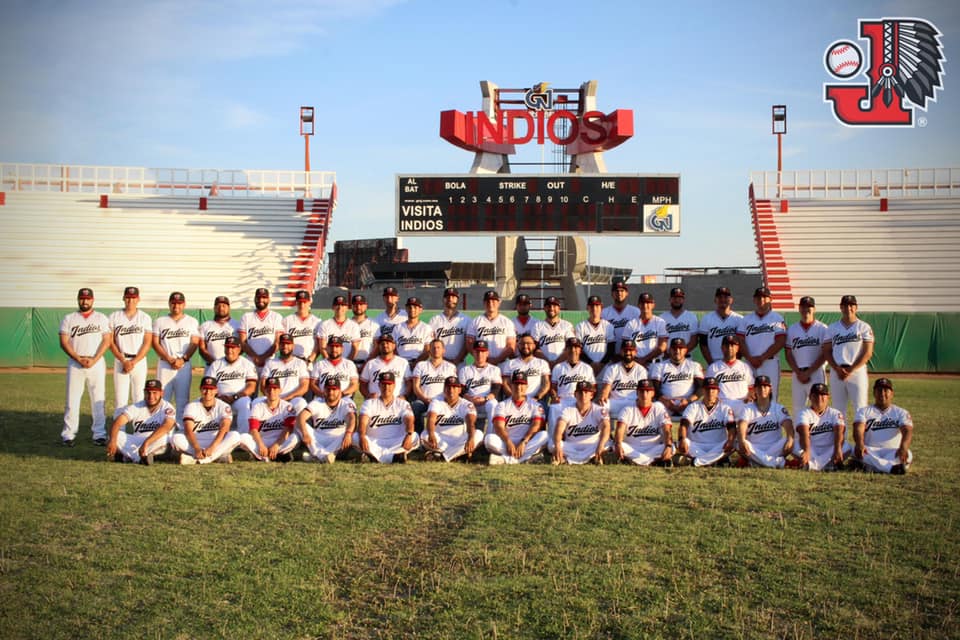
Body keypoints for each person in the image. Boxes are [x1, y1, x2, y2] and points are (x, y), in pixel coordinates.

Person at [60, 287, 111, 446]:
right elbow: (64, 341)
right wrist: (78, 358)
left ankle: (99, 434)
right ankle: (68, 435)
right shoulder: (69, 318)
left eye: (88, 298)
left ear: (93, 300)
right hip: (76, 363)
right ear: (78, 299)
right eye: (82, 298)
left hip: (96, 363)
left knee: (98, 399)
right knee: (72, 400)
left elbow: (107, 340)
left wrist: (95, 358)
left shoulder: (101, 318)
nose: (85, 301)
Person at [824, 294, 875, 421]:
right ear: (841, 307)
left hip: (857, 371)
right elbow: (826, 351)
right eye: (845, 305)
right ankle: (841, 441)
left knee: (861, 408)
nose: (848, 308)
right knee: (838, 411)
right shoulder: (832, 327)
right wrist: (836, 368)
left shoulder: (863, 327)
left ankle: (861, 440)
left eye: (851, 305)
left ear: (856, 307)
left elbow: (868, 353)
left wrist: (851, 369)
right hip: (837, 371)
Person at [152, 291, 200, 426]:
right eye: (173, 303)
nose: (176, 306)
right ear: (169, 304)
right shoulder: (160, 321)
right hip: (165, 365)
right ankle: (161, 426)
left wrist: (183, 359)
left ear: (184, 304)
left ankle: (180, 428)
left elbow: (194, 342)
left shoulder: (192, 321)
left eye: (179, 303)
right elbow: (155, 343)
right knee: (162, 398)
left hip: (183, 365)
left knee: (182, 399)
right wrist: (169, 359)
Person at [170, 376, 242, 465]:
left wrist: (212, 447)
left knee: (235, 436)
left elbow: (225, 428)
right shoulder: (192, 406)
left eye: (211, 389)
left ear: (216, 390)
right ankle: (218, 457)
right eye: (205, 388)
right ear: (200, 389)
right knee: (175, 438)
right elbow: (188, 431)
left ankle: (199, 459)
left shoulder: (224, 406)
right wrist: (197, 448)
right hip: (195, 442)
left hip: (216, 442)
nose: (208, 392)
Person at [106, 379, 176, 464]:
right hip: (137, 441)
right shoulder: (136, 406)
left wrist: (146, 443)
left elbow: (167, 426)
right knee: (115, 435)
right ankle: (140, 458)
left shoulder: (167, 407)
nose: (151, 396)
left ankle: (128, 456)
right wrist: (113, 441)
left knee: (166, 438)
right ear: (144, 393)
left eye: (154, 393)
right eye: (148, 393)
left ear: (161, 393)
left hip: (155, 441)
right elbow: (117, 423)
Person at [853, 378, 913, 474]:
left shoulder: (901, 412)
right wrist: (860, 443)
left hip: (893, 452)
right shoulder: (864, 411)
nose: (882, 393)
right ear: (874, 393)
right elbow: (858, 428)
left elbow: (907, 431)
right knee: (856, 451)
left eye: (886, 390)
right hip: (871, 450)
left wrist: (903, 447)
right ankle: (892, 468)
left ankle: (872, 467)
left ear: (892, 393)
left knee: (908, 454)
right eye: (879, 390)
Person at [485, 371, 548, 464]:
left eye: (522, 384)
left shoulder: (535, 405)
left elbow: (536, 426)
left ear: (527, 386)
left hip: (526, 442)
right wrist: (508, 442)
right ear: (511, 385)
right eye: (516, 384)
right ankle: (526, 458)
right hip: (507, 442)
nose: (519, 387)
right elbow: (499, 427)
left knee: (544, 435)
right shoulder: (502, 405)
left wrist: (523, 442)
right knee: (489, 439)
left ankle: (506, 460)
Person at [355, 371, 418, 463]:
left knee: (414, 436)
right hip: (374, 441)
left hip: (396, 441)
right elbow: (362, 421)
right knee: (355, 437)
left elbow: (409, 420)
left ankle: (374, 456)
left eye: (389, 384)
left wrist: (408, 435)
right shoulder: (369, 403)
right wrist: (362, 436)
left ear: (394, 385)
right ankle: (394, 456)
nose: (386, 387)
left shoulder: (403, 403)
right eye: (384, 384)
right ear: (379, 385)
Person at [737, 286, 787, 401]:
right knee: (748, 396)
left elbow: (781, 341)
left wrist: (762, 357)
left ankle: (770, 419)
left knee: (771, 397)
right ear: (754, 300)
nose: (762, 300)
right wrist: (750, 358)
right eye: (759, 297)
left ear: (770, 299)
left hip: (770, 362)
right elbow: (740, 340)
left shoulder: (777, 318)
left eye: (765, 297)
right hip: (749, 363)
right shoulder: (746, 319)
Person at [108, 286, 152, 412]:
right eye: (128, 297)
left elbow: (147, 343)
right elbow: (111, 342)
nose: (130, 300)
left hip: (139, 361)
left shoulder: (145, 317)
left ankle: (138, 429)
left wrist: (133, 362)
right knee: (120, 399)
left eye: (133, 298)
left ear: (138, 299)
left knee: (138, 397)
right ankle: (120, 430)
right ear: (123, 298)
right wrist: (123, 360)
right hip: (121, 360)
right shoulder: (114, 316)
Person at [785, 296, 829, 421]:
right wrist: (799, 372)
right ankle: (799, 439)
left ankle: (819, 438)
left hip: (816, 373)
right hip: (797, 374)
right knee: (798, 408)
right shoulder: (792, 329)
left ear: (814, 309)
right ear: (799, 309)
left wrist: (808, 372)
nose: (806, 309)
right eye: (803, 307)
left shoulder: (823, 329)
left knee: (819, 408)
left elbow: (825, 353)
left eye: (809, 307)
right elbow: (788, 353)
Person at [736, 375, 794, 469]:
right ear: (754, 389)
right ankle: (780, 463)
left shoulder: (778, 408)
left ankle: (754, 462)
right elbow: (742, 425)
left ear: (770, 389)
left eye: (765, 386)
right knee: (738, 443)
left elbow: (789, 426)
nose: (762, 389)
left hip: (775, 447)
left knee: (791, 440)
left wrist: (790, 440)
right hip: (754, 448)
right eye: (759, 387)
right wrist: (742, 440)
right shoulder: (747, 408)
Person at [677, 377, 737, 467]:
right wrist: (682, 439)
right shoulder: (693, 406)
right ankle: (715, 460)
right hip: (696, 445)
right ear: (703, 390)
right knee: (678, 443)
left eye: (713, 389)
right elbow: (683, 426)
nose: (710, 392)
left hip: (717, 446)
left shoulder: (725, 408)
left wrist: (730, 440)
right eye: (707, 389)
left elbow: (732, 428)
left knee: (735, 443)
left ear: (718, 391)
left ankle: (695, 462)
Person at [237, 377, 299, 462]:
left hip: (280, 441)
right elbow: (253, 430)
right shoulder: (257, 406)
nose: (271, 391)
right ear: (264, 391)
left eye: (275, 388)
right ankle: (275, 456)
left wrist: (277, 445)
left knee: (295, 438)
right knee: (242, 437)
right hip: (262, 440)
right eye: (269, 389)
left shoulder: (287, 406)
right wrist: (261, 445)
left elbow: (288, 429)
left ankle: (264, 456)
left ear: (280, 390)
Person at [613, 379, 674, 466]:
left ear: (653, 393)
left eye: (648, 391)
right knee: (616, 445)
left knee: (672, 447)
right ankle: (653, 462)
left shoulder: (659, 408)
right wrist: (618, 443)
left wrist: (668, 446)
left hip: (653, 448)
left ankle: (634, 461)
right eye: (641, 391)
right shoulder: (627, 409)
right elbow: (620, 430)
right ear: (637, 392)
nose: (644, 394)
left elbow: (667, 429)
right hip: (632, 448)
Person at [204, 335, 257, 433]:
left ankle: (243, 436)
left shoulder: (247, 364)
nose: (230, 350)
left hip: (239, 397)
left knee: (245, 403)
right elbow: (208, 385)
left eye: (233, 347)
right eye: (227, 347)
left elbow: (251, 387)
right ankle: (211, 435)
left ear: (239, 348)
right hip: (219, 398)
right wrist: (217, 396)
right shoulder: (216, 364)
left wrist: (235, 397)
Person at [422, 376, 481, 462]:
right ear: (444, 389)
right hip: (440, 440)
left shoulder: (466, 404)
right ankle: (459, 455)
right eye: (448, 387)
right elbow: (431, 419)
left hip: (459, 440)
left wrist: (471, 438)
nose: (451, 390)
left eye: (454, 387)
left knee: (478, 434)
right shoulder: (436, 402)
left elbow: (471, 423)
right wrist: (431, 434)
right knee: (424, 435)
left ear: (460, 390)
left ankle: (443, 457)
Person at [298, 377, 357, 463]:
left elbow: (352, 418)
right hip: (318, 439)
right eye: (328, 389)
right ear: (324, 390)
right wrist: (305, 433)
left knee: (353, 434)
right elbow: (301, 417)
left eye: (334, 389)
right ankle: (326, 456)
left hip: (337, 440)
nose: (331, 392)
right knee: (298, 424)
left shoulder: (346, 403)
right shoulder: (318, 402)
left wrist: (348, 433)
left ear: (340, 391)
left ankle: (318, 456)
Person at [550, 381, 610, 465]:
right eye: (580, 392)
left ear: (591, 395)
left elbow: (606, 427)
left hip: (591, 445)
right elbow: (559, 428)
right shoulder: (567, 409)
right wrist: (557, 446)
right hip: (571, 446)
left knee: (607, 444)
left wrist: (600, 445)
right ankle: (590, 459)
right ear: (575, 394)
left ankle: (567, 460)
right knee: (552, 444)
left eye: (586, 392)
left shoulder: (599, 410)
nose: (583, 395)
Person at [793, 383, 849, 471]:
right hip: (811, 449)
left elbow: (839, 431)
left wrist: (837, 449)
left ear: (828, 397)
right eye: (816, 395)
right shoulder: (804, 413)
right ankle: (829, 465)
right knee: (792, 445)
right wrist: (807, 451)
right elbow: (803, 433)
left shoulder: (835, 413)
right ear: (810, 397)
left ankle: (811, 466)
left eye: (823, 395)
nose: (819, 398)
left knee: (847, 446)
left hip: (830, 449)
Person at [547, 337, 596, 438]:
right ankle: (553, 441)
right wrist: (554, 396)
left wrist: (588, 400)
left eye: (576, 347)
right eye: (570, 348)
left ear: (580, 350)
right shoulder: (558, 367)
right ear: (566, 350)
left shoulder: (587, 368)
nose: (573, 350)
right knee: (553, 408)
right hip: (563, 399)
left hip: (581, 399)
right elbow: (553, 387)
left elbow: (593, 388)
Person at [409, 339, 457, 432]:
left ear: (443, 350)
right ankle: (418, 437)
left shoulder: (450, 367)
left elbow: (453, 388)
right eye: (433, 348)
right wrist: (425, 399)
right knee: (415, 407)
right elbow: (416, 387)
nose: (436, 350)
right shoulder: (421, 365)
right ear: (429, 350)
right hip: (423, 400)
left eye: (438, 347)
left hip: (443, 401)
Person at [650, 338, 704, 417]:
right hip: (665, 404)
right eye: (674, 348)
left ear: (685, 350)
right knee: (656, 406)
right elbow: (655, 388)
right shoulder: (659, 366)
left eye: (680, 348)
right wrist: (666, 401)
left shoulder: (694, 365)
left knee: (699, 406)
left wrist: (688, 401)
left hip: (688, 403)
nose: (677, 351)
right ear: (669, 350)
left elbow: (700, 388)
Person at [259, 333, 310, 414]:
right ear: (279, 345)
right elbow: (263, 385)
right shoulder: (270, 363)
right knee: (256, 402)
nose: (285, 346)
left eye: (288, 344)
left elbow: (304, 386)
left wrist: (287, 398)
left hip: (293, 399)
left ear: (293, 346)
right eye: (282, 344)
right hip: (273, 400)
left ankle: (298, 426)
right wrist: (274, 399)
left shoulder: (300, 363)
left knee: (301, 403)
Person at [458, 340, 502, 433]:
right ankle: (464, 437)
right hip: (470, 401)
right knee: (461, 405)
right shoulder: (464, 370)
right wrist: (470, 399)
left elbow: (496, 390)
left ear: (487, 353)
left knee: (493, 404)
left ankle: (489, 435)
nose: (480, 354)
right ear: (473, 353)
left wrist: (485, 399)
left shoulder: (494, 369)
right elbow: (462, 390)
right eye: (477, 351)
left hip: (486, 402)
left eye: (482, 351)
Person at [597, 339, 649, 420]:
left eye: (630, 350)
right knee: (601, 406)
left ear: (635, 352)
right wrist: (603, 396)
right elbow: (606, 388)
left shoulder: (641, 370)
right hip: (615, 402)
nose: (628, 353)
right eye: (625, 350)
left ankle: (638, 431)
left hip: (634, 403)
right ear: (621, 352)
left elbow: (643, 392)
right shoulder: (612, 368)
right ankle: (608, 431)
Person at [705, 335, 754, 414]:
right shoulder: (713, 368)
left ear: (737, 348)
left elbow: (752, 387)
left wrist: (749, 396)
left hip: (742, 403)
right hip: (722, 404)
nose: (729, 348)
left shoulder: (745, 367)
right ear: (722, 348)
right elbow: (707, 389)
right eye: (726, 345)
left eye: (732, 345)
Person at [466, 290, 516, 366]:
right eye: (488, 301)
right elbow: (469, 344)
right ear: (484, 303)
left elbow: (511, 346)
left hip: (502, 363)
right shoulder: (475, 321)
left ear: (499, 302)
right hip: (481, 364)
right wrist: (482, 359)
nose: (490, 303)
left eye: (493, 300)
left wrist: (497, 359)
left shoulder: (507, 322)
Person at [239, 287, 284, 373]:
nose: (261, 300)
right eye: (258, 297)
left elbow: (278, 342)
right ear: (254, 299)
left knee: (268, 386)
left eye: (264, 297)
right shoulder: (246, 317)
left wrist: (263, 357)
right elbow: (243, 341)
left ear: (269, 299)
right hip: (250, 362)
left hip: (270, 361)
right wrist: (255, 357)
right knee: (251, 385)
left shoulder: (276, 316)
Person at [500, 333, 551, 407]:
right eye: (522, 343)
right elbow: (506, 384)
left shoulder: (542, 363)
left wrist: (537, 397)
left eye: (528, 343)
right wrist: (516, 398)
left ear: (534, 345)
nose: (525, 346)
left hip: (536, 401)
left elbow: (546, 384)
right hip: (515, 402)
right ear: (518, 346)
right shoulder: (510, 363)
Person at [621, 292, 668, 368]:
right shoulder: (631, 324)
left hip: (656, 364)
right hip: (636, 364)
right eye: (642, 303)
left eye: (648, 303)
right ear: (638, 305)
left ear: (653, 305)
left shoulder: (660, 322)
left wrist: (644, 359)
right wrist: (637, 361)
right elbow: (624, 347)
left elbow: (662, 346)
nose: (645, 305)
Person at [699, 286, 743, 365]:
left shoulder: (739, 319)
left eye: (726, 297)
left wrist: (736, 362)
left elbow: (742, 343)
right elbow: (703, 344)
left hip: (733, 362)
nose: (723, 299)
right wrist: (711, 363)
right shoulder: (706, 318)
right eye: (720, 297)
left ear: (731, 300)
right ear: (715, 300)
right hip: (714, 361)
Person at [359, 334, 411, 399]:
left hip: (397, 401)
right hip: (376, 401)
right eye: (382, 343)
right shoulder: (371, 363)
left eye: (387, 343)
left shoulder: (403, 362)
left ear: (394, 345)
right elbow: (362, 384)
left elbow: (409, 383)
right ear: (378, 346)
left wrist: (405, 396)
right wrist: (368, 395)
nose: (385, 345)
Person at [575, 295, 616, 376]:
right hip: (586, 367)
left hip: (605, 368)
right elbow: (578, 349)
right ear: (587, 308)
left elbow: (611, 349)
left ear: (601, 307)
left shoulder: (608, 326)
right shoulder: (580, 326)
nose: (594, 308)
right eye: (592, 306)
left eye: (597, 305)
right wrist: (591, 363)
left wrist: (602, 364)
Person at [429, 287, 470, 365]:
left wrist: (457, 360)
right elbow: (431, 344)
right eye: (448, 297)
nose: (450, 299)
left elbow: (467, 344)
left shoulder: (466, 320)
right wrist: (443, 360)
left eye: (453, 297)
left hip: (460, 364)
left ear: (458, 300)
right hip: (440, 363)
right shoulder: (434, 320)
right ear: (443, 299)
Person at [531, 296, 574, 367]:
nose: (551, 308)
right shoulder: (537, 326)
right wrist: (548, 362)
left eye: (554, 305)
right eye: (549, 306)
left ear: (559, 308)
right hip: (543, 366)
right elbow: (535, 348)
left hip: (563, 365)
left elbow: (570, 347)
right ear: (544, 308)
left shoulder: (567, 325)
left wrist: (557, 362)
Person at [198, 295, 240, 366]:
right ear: (214, 308)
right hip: (211, 366)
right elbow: (202, 349)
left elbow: (241, 347)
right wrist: (215, 363)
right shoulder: (205, 326)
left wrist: (230, 360)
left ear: (229, 308)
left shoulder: (237, 325)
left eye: (224, 305)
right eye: (218, 305)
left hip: (232, 367)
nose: (221, 308)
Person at [317, 295, 361, 361]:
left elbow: (355, 349)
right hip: (329, 363)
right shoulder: (325, 324)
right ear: (333, 307)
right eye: (337, 305)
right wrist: (330, 363)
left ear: (347, 308)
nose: (340, 307)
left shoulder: (354, 325)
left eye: (343, 305)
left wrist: (346, 364)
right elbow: (322, 348)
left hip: (347, 364)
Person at [284, 290, 321, 364]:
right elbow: (283, 343)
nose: (302, 305)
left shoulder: (317, 321)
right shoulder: (287, 320)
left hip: (309, 361)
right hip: (291, 361)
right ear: (296, 302)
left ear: (309, 302)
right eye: (300, 302)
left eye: (304, 302)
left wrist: (311, 359)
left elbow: (319, 344)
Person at [394, 297, 433, 366]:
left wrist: (415, 364)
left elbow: (428, 351)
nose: (412, 309)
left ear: (421, 310)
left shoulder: (426, 328)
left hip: (419, 364)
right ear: (406, 309)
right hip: (401, 364)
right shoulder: (398, 327)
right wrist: (401, 363)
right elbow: (393, 349)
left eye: (415, 307)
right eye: (410, 307)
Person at [601, 277, 639, 348]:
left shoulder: (635, 312)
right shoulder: (604, 313)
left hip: (629, 353)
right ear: (612, 294)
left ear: (627, 293)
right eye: (616, 291)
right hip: (611, 355)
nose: (619, 293)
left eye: (622, 291)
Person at [660, 287, 699, 356]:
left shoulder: (691, 316)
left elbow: (694, 341)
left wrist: (681, 354)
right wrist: (670, 354)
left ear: (683, 300)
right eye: (674, 298)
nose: (677, 300)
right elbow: (660, 340)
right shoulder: (662, 318)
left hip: (686, 357)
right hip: (667, 358)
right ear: (670, 299)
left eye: (679, 298)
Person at [350, 293, 380, 370]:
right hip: (350, 363)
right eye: (356, 304)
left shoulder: (374, 323)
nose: (358, 307)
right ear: (352, 307)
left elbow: (377, 347)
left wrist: (367, 363)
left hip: (368, 363)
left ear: (366, 306)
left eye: (361, 304)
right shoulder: (347, 324)